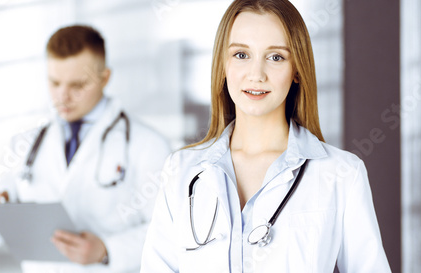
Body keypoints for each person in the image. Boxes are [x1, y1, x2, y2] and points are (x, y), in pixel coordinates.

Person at [140, 0, 391, 272]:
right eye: (241, 55)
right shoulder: (181, 171)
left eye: (275, 57)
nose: (256, 74)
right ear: (222, 65)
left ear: (296, 70)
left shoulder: (341, 174)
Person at [0, 25, 171, 273]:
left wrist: (107, 250)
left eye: (77, 85)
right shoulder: (26, 143)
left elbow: (169, 234)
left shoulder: (147, 146)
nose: (62, 97)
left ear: (104, 77)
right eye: (54, 83)